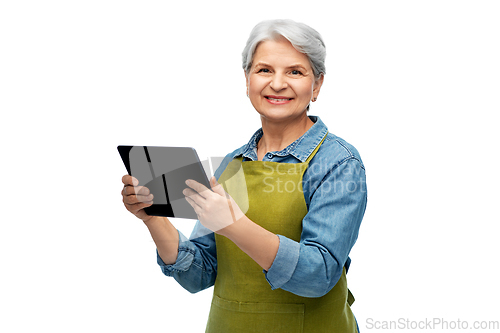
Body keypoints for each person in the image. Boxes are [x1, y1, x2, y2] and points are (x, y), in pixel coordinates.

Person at [122, 19, 367, 333]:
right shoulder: (232, 164)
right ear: (247, 79)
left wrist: (233, 225)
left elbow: (318, 275)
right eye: (264, 70)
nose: (277, 84)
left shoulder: (337, 163)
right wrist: (153, 218)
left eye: (295, 71)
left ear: (316, 85)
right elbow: (199, 274)